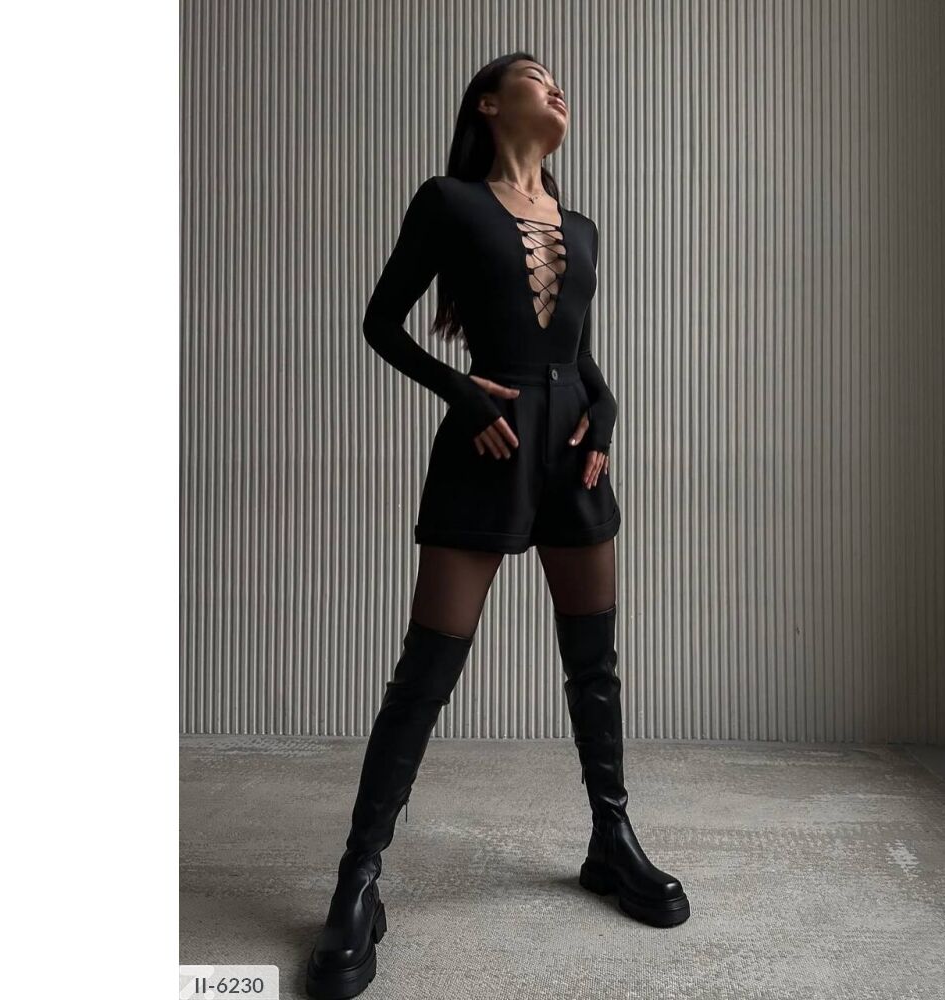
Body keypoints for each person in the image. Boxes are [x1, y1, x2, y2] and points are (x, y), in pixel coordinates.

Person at [306, 52, 690, 1000]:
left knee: (594, 663)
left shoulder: (581, 226)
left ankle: (610, 840)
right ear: (488, 101)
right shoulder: (448, 201)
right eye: (533, 76)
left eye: (561, 81)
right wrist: (462, 393)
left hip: (573, 453)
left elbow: (580, 357)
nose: (557, 88)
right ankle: (357, 881)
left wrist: (606, 414)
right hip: (489, 443)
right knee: (426, 670)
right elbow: (381, 322)